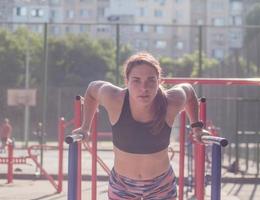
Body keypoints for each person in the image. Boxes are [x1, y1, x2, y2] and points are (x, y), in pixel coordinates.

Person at [72, 52, 205, 200]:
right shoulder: (114, 98)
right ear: (127, 81)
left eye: (150, 80)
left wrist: (196, 127)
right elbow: (91, 90)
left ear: (159, 81)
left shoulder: (170, 102)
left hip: (161, 185)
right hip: (122, 185)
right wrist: (85, 127)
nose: (144, 88)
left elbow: (189, 92)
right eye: (136, 80)